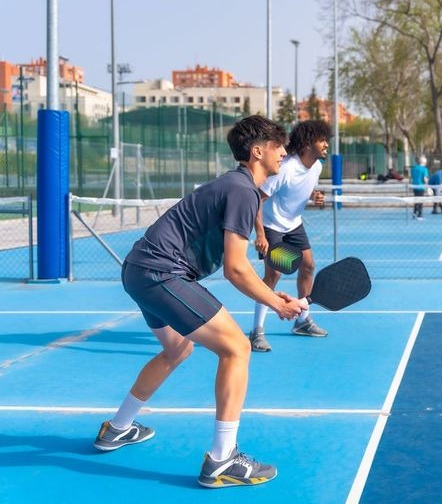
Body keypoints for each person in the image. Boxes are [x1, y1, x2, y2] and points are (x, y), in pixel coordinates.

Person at [93, 115, 306, 489]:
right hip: (161, 272)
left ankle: (118, 428)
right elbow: (235, 269)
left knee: (177, 350)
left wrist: (273, 294)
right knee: (238, 348)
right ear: (258, 151)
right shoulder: (241, 190)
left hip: (138, 269)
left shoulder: (239, 186)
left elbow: (239, 264)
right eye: (278, 147)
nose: (284, 152)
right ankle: (223, 458)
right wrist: (276, 303)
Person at [250, 120, 329, 352]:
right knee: (273, 274)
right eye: (322, 140)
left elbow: (301, 188)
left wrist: (315, 195)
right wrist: (260, 234)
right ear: (307, 144)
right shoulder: (285, 168)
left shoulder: (316, 167)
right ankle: (257, 331)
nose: (326, 144)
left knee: (308, 265)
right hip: (272, 226)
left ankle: (302, 320)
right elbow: (257, 199)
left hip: (294, 225)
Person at [410, 155, 429, 219]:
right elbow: (425, 179)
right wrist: (428, 185)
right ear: (424, 162)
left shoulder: (413, 168)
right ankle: (420, 215)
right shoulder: (424, 169)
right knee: (420, 201)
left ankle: (414, 213)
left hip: (414, 186)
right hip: (421, 187)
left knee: (416, 200)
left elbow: (411, 178)